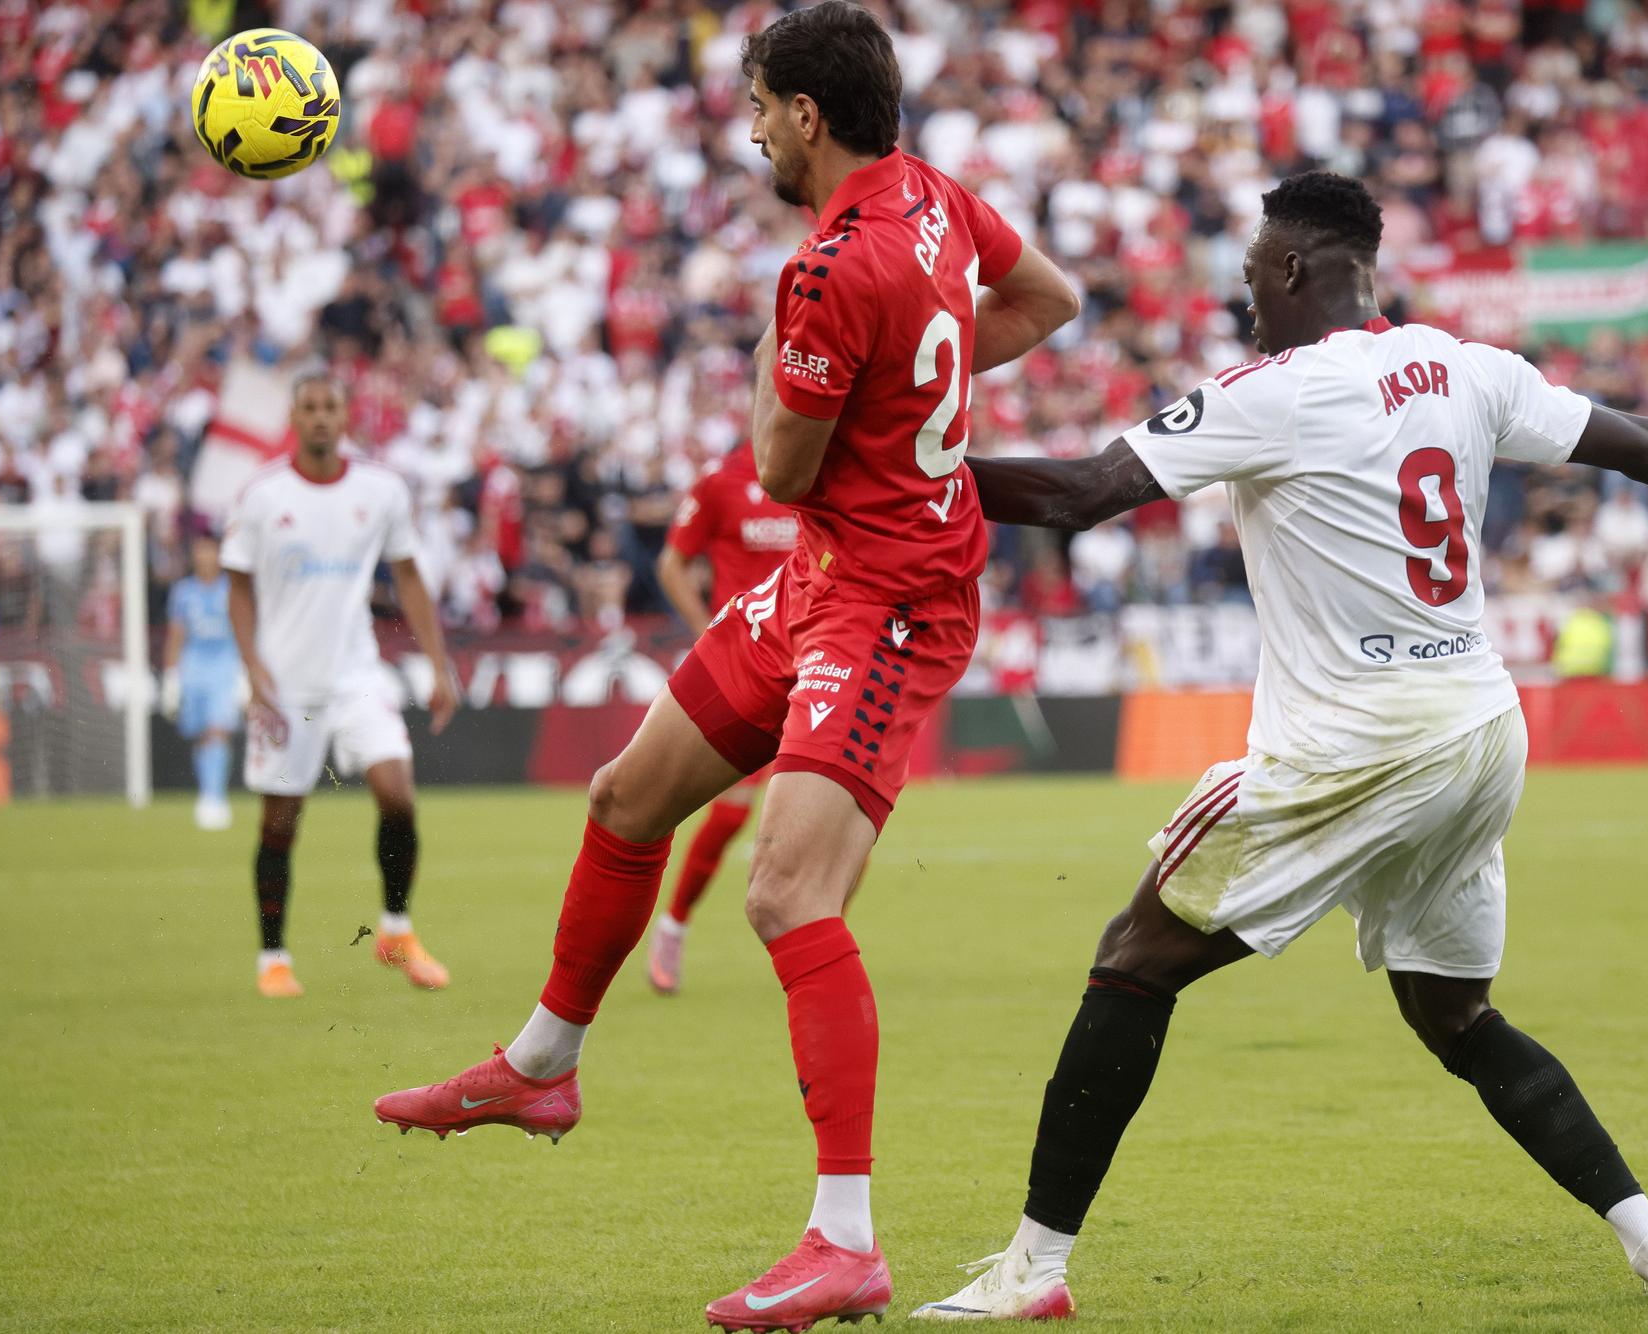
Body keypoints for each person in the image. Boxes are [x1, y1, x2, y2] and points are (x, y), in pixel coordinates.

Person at [912, 172, 1648, 1321]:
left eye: (1248, 277)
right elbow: (1643, 442)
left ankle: (1030, 1270)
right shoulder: (1466, 368)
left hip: (1358, 743)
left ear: (1287, 269)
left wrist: (901, 470)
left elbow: (1078, 493)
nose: (1243, 299)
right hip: (1479, 729)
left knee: (1132, 957)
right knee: (1455, 1016)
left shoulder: (1269, 391)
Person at [372, 4, 1079, 1328]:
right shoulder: (936, 198)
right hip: (817, 579)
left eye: (757, 107)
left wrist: (818, 364)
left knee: (786, 892)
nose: (747, 128)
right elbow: (1052, 297)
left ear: (806, 116)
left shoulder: (824, 272)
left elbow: (777, 465)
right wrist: (917, 389)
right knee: (629, 799)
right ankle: (543, 1062)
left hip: (890, 603)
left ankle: (848, 1237)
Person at [222, 370, 460, 1000]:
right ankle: (273, 957)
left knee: (397, 794)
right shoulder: (262, 495)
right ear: (295, 418)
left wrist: (439, 662)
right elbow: (238, 587)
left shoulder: (381, 490)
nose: (322, 417)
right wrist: (252, 666)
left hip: (356, 673)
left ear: (346, 415)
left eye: (331, 406)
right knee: (280, 823)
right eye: (310, 408)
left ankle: (396, 930)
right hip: (285, 686)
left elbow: (408, 575)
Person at [645, 440, 799, 995]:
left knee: (839, 814)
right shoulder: (720, 481)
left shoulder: (821, 468)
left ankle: (818, 950)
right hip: (750, 664)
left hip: (820, 661)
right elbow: (672, 563)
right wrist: (708, 629)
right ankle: (672, 928)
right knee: (733, 813)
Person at [162, 531, 243, 830]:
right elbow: (176, 636)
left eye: (210, 550)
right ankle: (208, 793)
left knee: (218, 730)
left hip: (225, 665)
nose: (205, 556)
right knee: (201, 735)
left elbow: (244, 631)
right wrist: (171, 677)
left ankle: (214, 798)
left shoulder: (232, 589)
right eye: (200, 550)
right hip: (193, 667)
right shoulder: (183, 592)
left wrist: (245, 673)